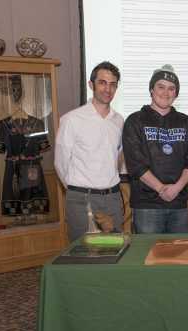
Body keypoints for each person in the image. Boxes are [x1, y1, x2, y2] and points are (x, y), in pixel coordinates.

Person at [122, 65, 188, 233]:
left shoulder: (187, 122)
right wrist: (161, 189)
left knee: (178, 257)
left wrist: (176, 188)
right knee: (147, 257)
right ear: (151, 89)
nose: (165, 93)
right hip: (147, 206)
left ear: (176, 93)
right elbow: (135, 165)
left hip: (179, 204)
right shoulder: (135, 121)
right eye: (161, 87)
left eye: (171, 89)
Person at [54, 61, 124, 242]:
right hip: (82, 199)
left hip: (113, 198)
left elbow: (116, 159)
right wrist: (77, 190)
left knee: (113, 250)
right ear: (91, 84)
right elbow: (61, 163)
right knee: (83, 254)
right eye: (102, 82)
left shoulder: (119, 121)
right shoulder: (72, 119)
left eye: (113, 84)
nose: (107, 89)